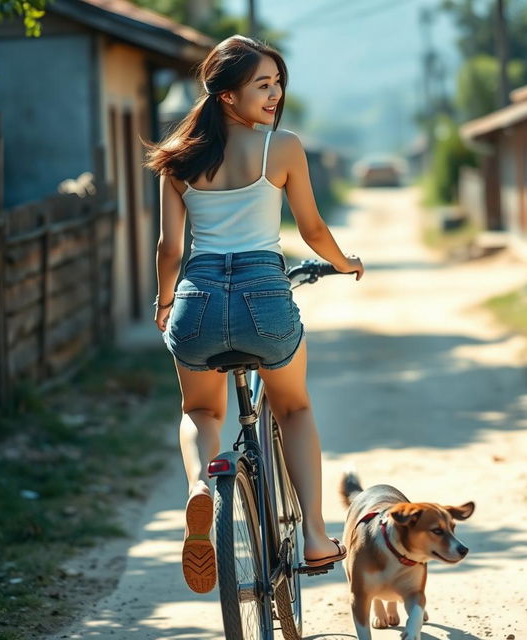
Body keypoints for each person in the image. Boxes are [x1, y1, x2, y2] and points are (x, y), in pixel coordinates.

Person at [143, 34, 364, 594]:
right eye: (261, 84)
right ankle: (315, 535)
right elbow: (312, 231)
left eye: (277, 82)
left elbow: (170, 250)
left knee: (200, 412)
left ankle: (200, 488)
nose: (275, 93)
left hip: (196, 301)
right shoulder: (281, 147)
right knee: (293, 406)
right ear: (227, 97)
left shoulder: (178, 157)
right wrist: (345, 262)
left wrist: (166, 304)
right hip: (264, 299)